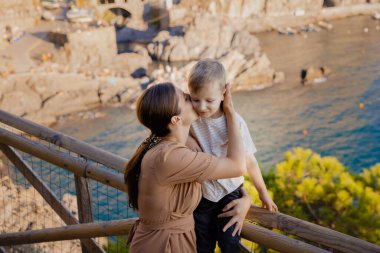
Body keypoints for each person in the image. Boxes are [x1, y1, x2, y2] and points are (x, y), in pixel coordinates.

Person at [124, 82, 250, 253]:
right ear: (176, 120)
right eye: (185, 97)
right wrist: (229, 110)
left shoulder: (173, 146)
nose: (190, 97)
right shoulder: (171, 157)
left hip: (171, 240)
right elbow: (237, 166)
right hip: (164, 245)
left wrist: (246, 197)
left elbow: (221, 180)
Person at [188, 59, 278, 253]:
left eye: (209, 101)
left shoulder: (235, 123)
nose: (202, 107)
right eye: (195, 99)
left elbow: (249, 161)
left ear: (224, 93)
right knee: (201, 246)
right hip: (202, 196)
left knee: (230, 244)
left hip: (230, 193)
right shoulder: (191, 119)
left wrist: (263, 194)